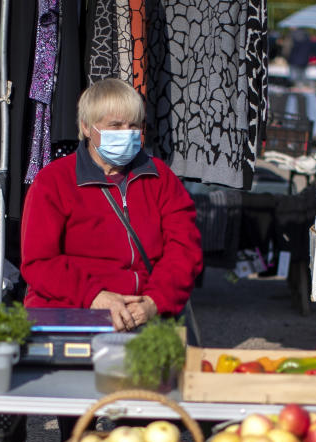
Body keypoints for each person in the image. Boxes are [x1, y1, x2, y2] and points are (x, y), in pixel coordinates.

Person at [20, 77, 203, 332]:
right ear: (86, 127)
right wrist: (95, 297)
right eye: (115, 125)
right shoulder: (53, 181)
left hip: (143, 314)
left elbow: (184, 248)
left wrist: (154, 301)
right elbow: (39, 262)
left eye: (133, 126)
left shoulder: (160, 177)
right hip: (71, 316)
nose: (125, 133)